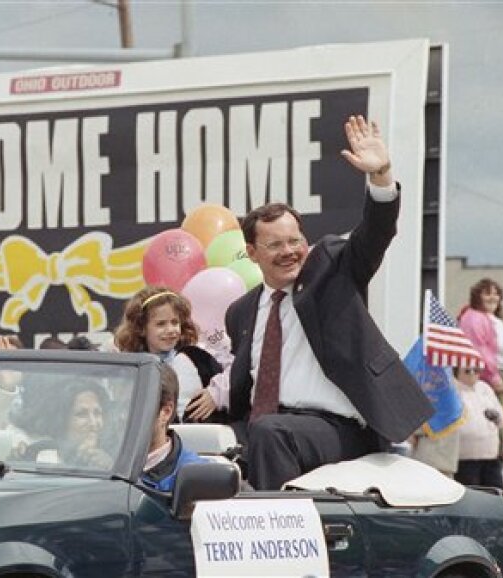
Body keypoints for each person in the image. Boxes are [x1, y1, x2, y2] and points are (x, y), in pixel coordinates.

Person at [223, 115, 433, 491]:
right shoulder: (241, 312)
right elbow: (244, 391)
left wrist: (381, 176)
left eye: (295, 241)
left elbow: (375, 233)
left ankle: (284, 539)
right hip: (268, 428)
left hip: (341, 430)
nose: (289, 252)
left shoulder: (331, 270)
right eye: (275, 245)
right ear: (252, 252)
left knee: (270, 433)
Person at [114, 286, 221, 419]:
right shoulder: (134, 367)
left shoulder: (190, 359)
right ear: (141, 328)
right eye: (161, 324)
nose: (171, 330)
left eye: (175, 322)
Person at [141, 364, 208, 492]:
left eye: (135, 405)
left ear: (165, 412)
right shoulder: (102, 463)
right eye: (120, 405)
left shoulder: (197, 476)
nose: (123, 415)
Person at [458, 278, 503, 402]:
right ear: (477, 297)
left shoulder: (490, 318)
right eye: (487, 294)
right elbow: (479, 350)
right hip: (490, 377)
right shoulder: (474, 318)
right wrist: (494, 378)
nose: (493, 297)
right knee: (494, 417)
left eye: (496, 294)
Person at [453, 366, 503, 489]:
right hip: (465, 458)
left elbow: (502, 419)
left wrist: (496, 416)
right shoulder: (452, 389)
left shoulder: (485, 388)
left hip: (491, 456)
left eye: (476, 370)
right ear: (456, 371)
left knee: (496, 495)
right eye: (467, 370)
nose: (472, 373)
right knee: (471, 498)